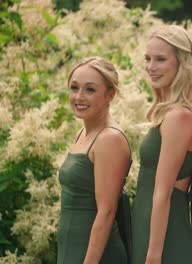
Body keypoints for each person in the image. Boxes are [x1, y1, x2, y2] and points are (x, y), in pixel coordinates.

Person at [131, 25, 192, 264]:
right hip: (147, 228)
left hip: (164, 240)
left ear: (182, 63)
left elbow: (162, 193)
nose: (151, 67)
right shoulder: (168, 113)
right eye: (148, 59)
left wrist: (153, 255)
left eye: (160, 59)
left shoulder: (178, 117)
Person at [57, 56, 131, 264]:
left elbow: (106, 212)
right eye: (74, 88)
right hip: (71, 246)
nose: (79, 97)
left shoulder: (110, 139)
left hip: (96, 254)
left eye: (89, 90)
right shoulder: (83, 133)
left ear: (110, 95)